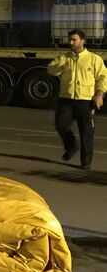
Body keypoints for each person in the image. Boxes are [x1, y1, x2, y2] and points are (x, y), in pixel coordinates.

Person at [46, 29, 105, 170]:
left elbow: (103, 77)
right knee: (61, 124)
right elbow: (51, 69)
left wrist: (99, 94)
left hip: (85, 100)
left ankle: (85, 161)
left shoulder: (94, 59)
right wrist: (61, 67)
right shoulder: (65, 58)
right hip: (67, 99)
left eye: (74, 39)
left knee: (86, 131)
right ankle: (71, 146)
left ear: (82, 41)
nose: (71, 42)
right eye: (70, 40)